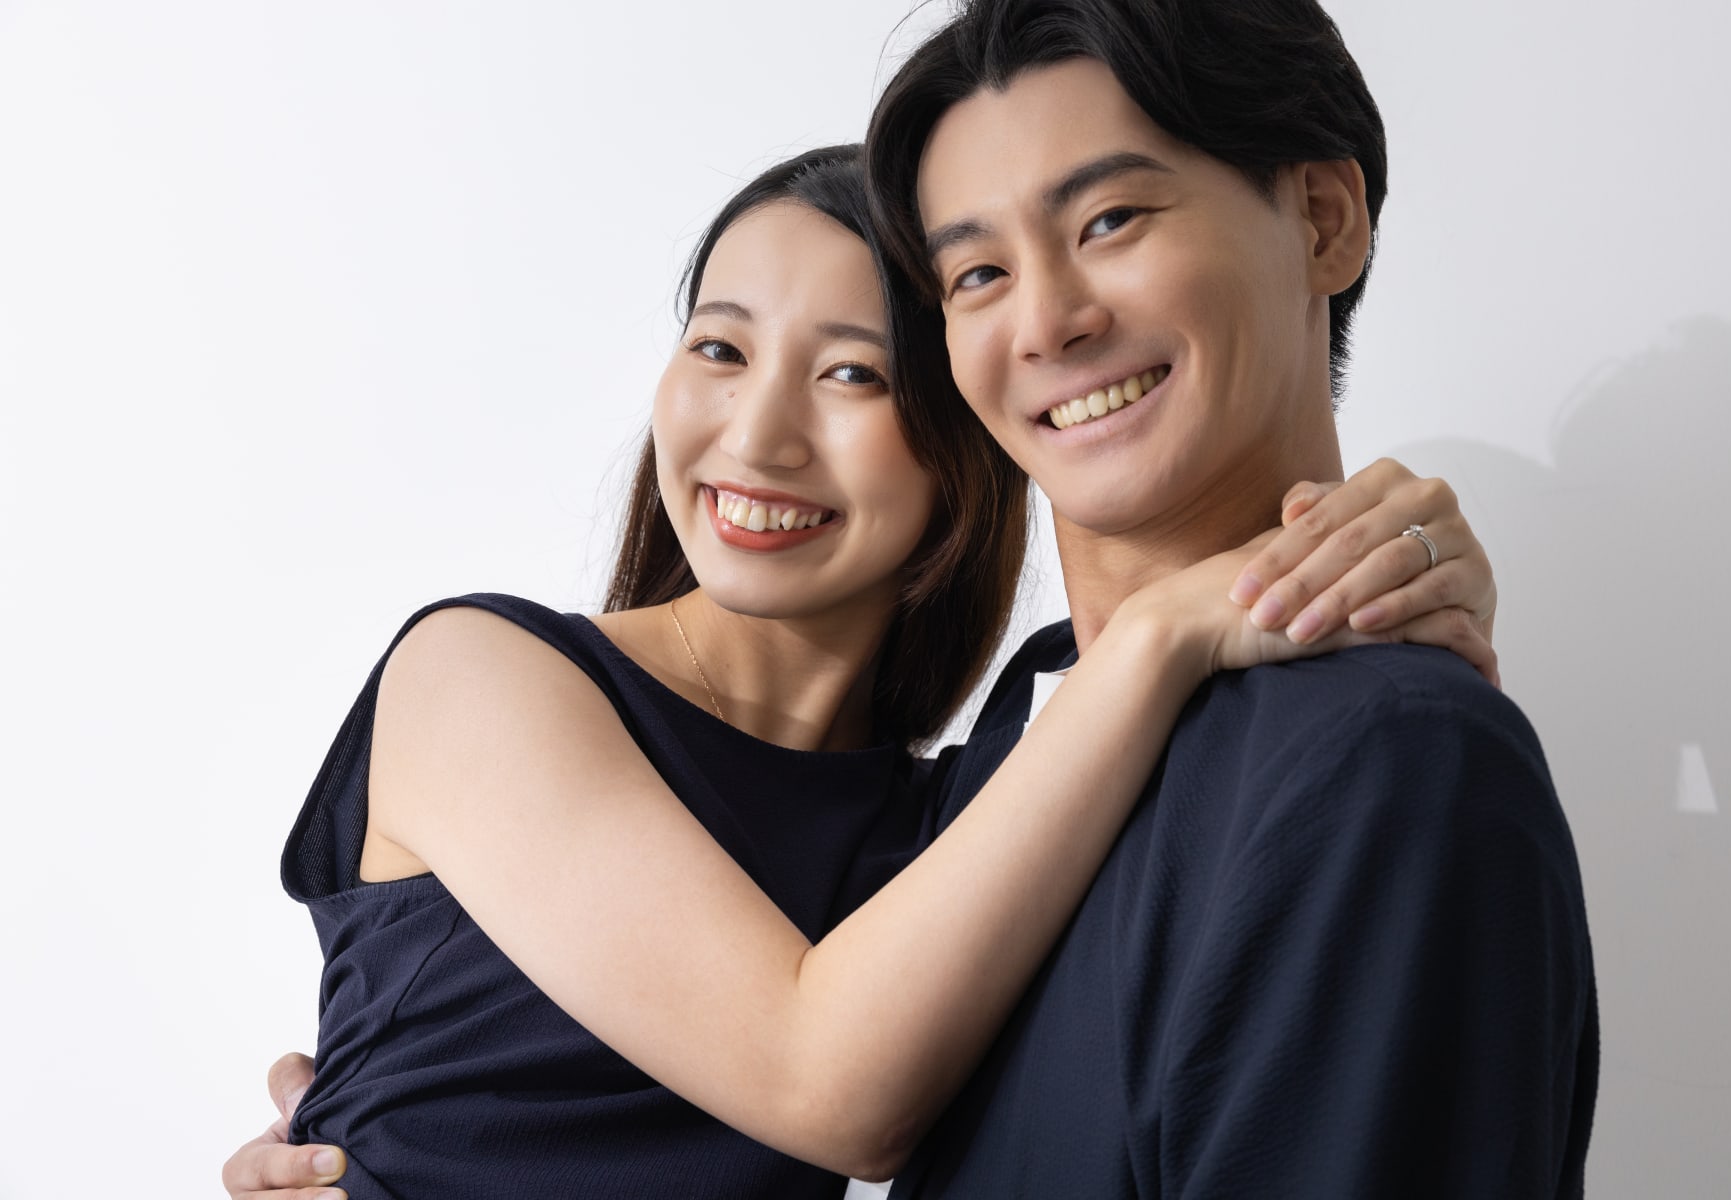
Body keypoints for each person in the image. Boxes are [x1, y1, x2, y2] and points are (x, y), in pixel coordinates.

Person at [221, 142, 1500, 1197]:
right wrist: (1168, 630)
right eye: (720, 350)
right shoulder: (477, 677)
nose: (759, 436)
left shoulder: (968, 815)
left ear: (967, 436)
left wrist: (1398, 580)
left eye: (852, 374)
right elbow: (827, 1087)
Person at [852, 0, 1598, 1195]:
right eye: (978, 273)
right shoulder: (1015, 734)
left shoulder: (1391, 759)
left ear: (1323, 220)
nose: (1046, 323)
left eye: (1110, 219)